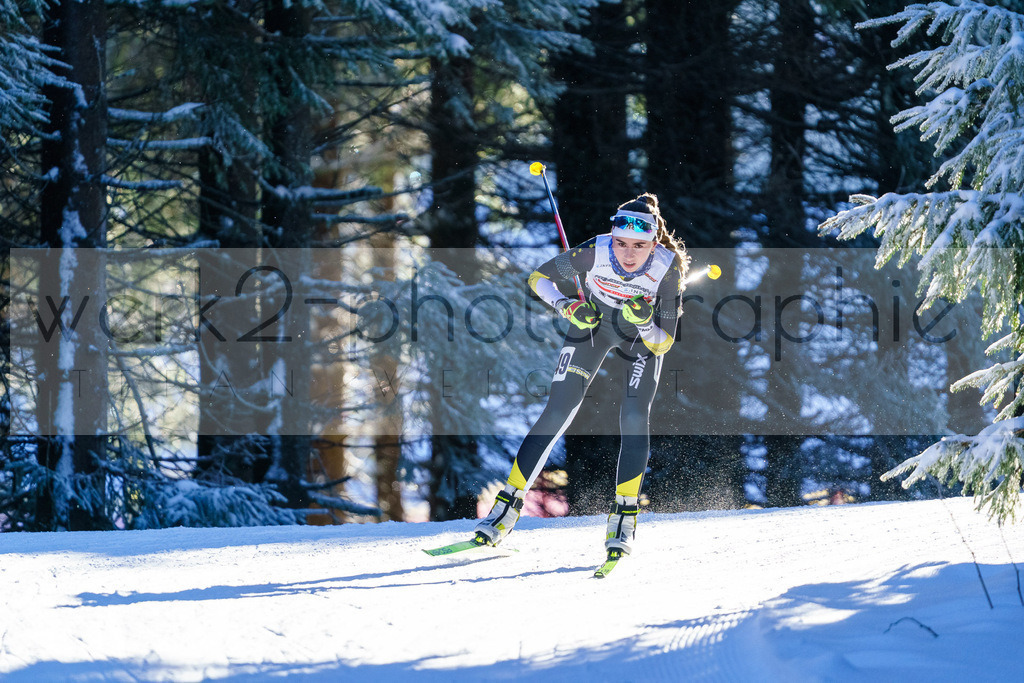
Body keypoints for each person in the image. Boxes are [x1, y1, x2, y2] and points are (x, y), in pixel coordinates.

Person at [474, 192, 689, 557]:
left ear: (653, 244)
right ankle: (505, 508)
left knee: (634, 416)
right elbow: (538, 278)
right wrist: (567, 306)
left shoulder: (667, 269)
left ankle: (624, 517)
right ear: (612, 237)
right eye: (621, 243)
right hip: (592, 327)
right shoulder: (594, 251)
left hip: (641, 339)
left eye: (639, 246)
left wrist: (644, 321)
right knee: (558, 409)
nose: (628, 254)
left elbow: (663, 343)